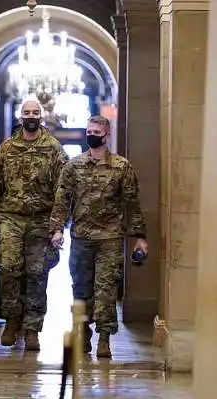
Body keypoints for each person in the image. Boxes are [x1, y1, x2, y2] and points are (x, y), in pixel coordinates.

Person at [49, 115, 148, 358]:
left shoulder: (121, 167)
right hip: (82, 237)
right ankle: (83, 331)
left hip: (110, 238)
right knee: (81, 289)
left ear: (107, 135)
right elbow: (62, 200)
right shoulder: (73, 166)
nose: (92, 134)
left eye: (97, 131)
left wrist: (139, 237)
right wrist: (56, 229)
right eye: (89, 130)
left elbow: (132, 204)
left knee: (106, 289)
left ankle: (104, 338)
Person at [0, 100, 69, 351]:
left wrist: (57, 227)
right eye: (27, 113)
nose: (31, 116)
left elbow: (63, 190)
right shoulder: (6, 148)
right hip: (11, 218)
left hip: (40, 220)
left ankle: (33, 328)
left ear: (41, 117)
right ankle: (12, 320)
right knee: (9, 268)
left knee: (37, 274)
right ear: (20, 116)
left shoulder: (54, 149)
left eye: (35, 113)